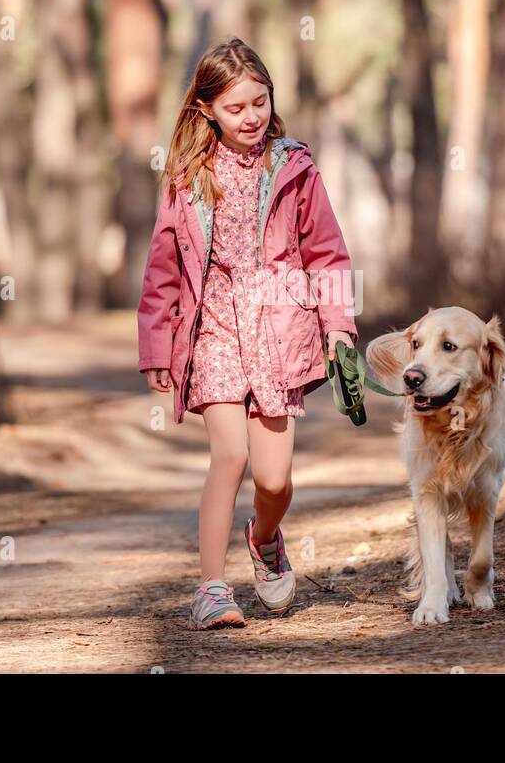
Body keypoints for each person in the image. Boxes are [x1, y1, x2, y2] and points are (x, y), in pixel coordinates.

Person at [137, 38, 358, 630]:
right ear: (206, 108)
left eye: (259, 102)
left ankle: (264, 538)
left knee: (274, 479)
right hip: (211, 332)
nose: (251, 117)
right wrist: (158, 344)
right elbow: (163, 266)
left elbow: (329, 255)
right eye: (235, 108)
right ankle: (211, 588)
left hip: (278, 335)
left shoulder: (293, 167)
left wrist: (337, 328)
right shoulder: (187, 175)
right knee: (229, 455)